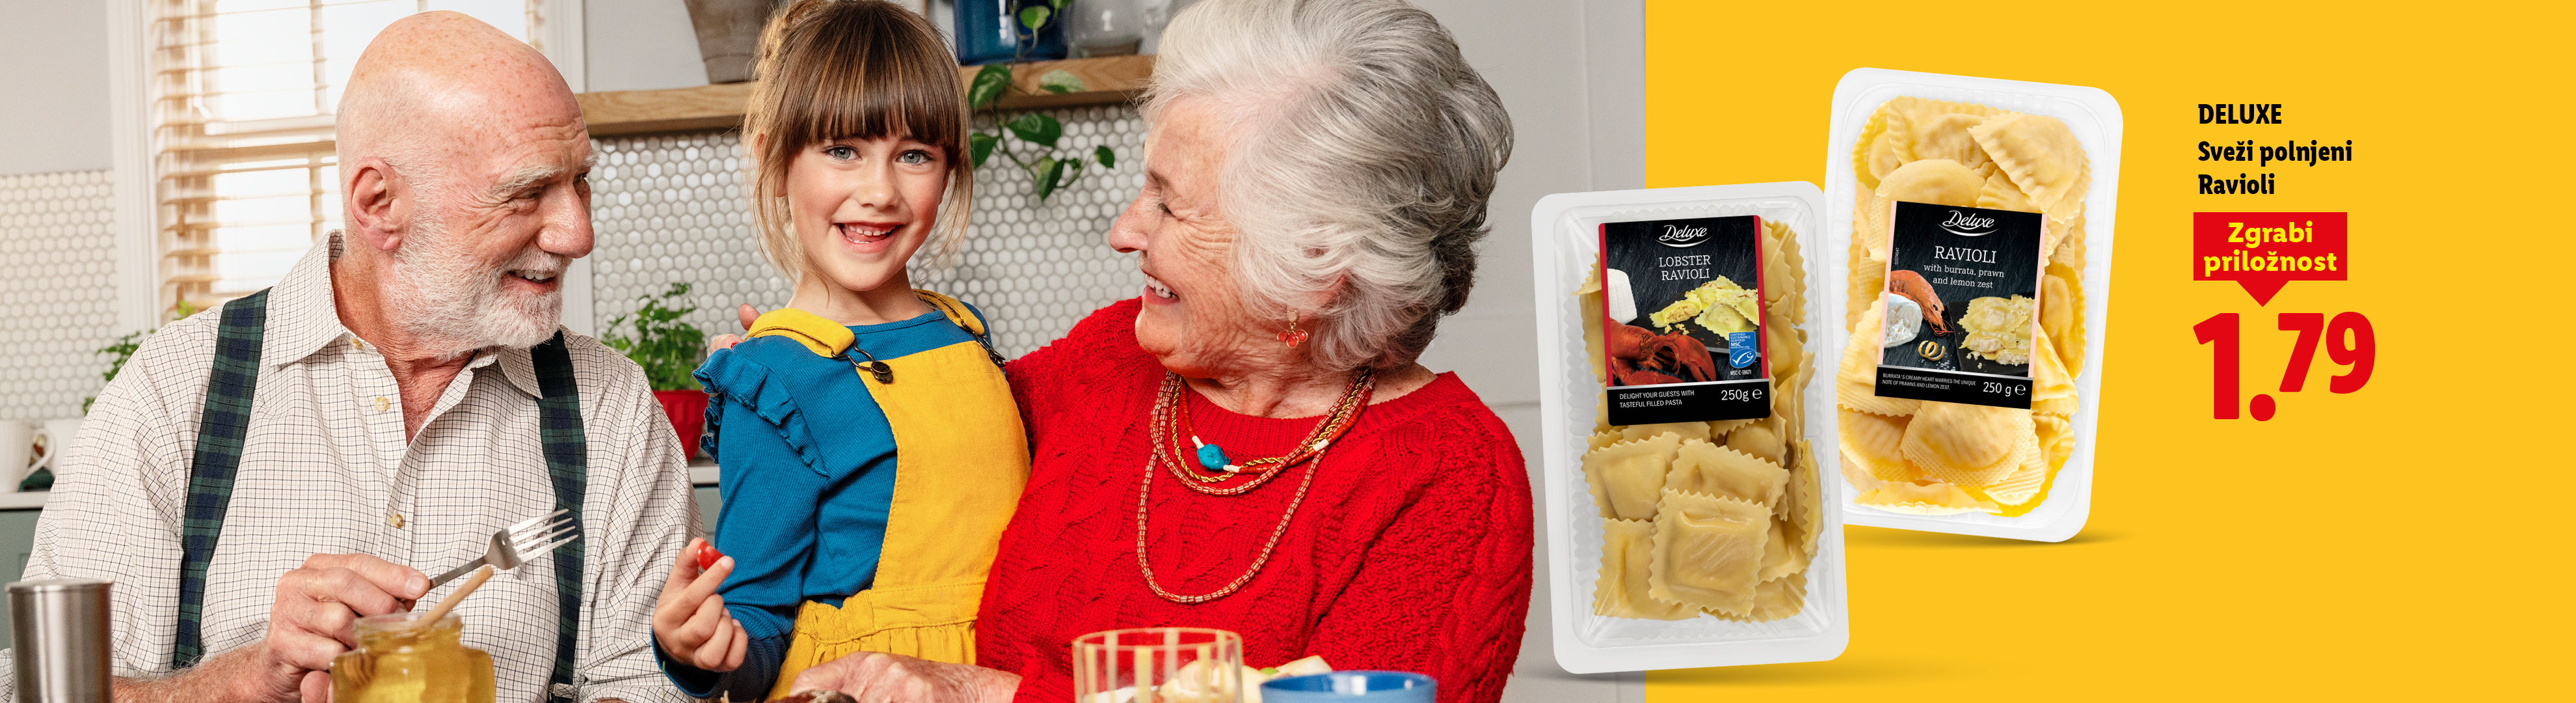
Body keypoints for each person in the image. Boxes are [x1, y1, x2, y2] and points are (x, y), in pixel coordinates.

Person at [781, 1, 1529, 701]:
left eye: (1170, 205)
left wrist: (981, 693)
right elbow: (919, 441)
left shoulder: (1452, 478)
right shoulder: (1110, 356)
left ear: (1313, 275)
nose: (1126, 232)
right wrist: (796, 366)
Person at [0, 12, 696, 703]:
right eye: (527, 193)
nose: (578, 233)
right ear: (380, 202)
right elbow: (43, 692)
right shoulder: (173, 390)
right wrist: (244, 682)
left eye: (580, 181)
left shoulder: (611, 407)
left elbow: (656, 689)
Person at [646, 1, 1026, 700]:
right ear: (776, 160)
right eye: (843, 150)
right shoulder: (776, 379)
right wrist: (704, 650)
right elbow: (756, 617)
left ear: (950, 169)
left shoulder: (963, 332)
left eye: (914, 155)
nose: (879, 191)